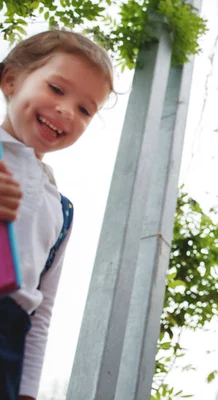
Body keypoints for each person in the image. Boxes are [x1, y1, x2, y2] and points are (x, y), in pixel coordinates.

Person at [0, 29, 114, 400]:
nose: (67, 110)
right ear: (12, 79)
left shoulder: (60, 209)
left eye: (85, 109)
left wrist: (27, 390)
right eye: (56, 89)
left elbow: (41, 308)